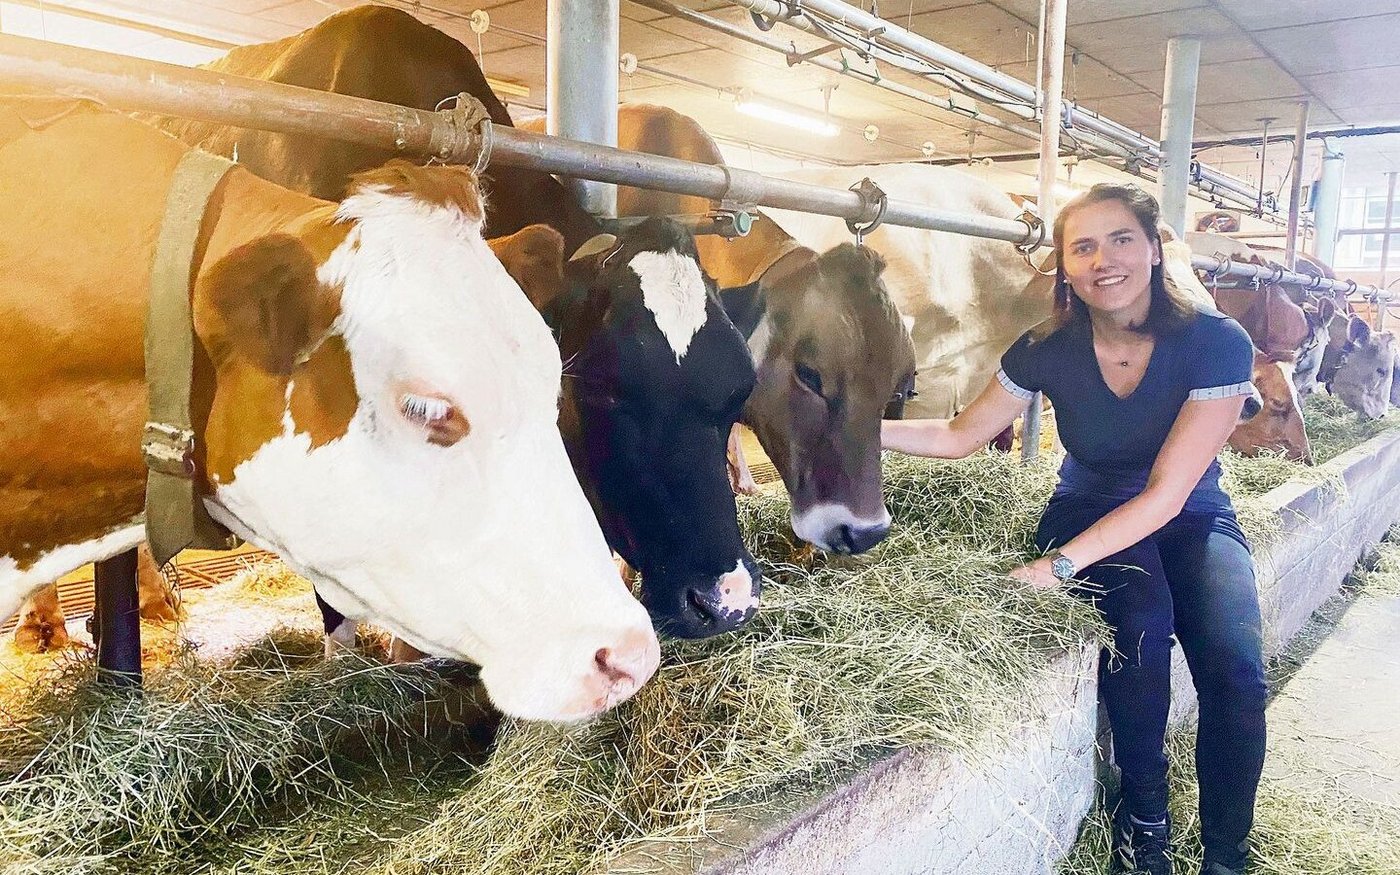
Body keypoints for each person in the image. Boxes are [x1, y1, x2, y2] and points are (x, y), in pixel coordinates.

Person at [882, 184, 1265, 875]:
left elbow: (1166, 493)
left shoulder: (1216, 342)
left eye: (1120, 239)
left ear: (1154, 249)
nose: (1103, 260)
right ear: (1062, 265)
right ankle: (1144, 817)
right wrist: (847, 430)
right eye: (1082, 246)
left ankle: (1227, 856)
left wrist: (1054, 567)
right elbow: (959, 434)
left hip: (1189, 512)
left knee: (1236, 668)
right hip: (1086, 508)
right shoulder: (1047, 346)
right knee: (1140, 625)